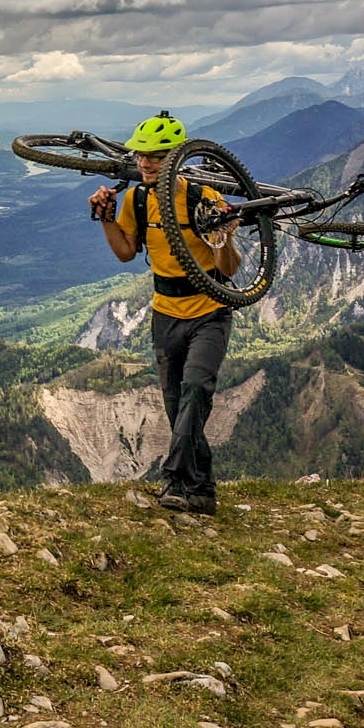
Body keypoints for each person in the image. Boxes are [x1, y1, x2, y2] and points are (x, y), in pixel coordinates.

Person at [88, 110, 241, 516]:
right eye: (141, 155)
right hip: (165, 314)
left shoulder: (202, 197)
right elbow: (125, 252)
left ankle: (173, 478)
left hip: (210, 311)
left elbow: (228, 269)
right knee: (178, 407)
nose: (146, 163)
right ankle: (203, 492)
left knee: (195, 389)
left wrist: (223, 235)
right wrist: (106, 217)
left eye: (156, 156)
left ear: (177, 156)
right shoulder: (139, 199)